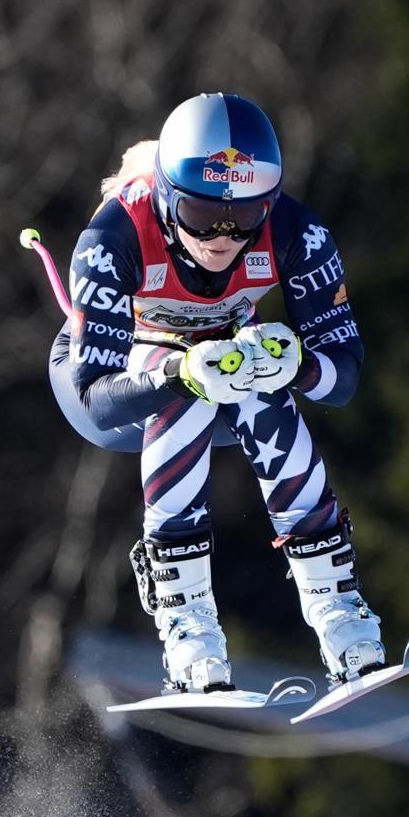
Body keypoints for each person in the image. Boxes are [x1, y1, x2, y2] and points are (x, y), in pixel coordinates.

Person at [47, 92, 384, 692]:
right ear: (167, 196)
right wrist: (181, 374)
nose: (224, 237)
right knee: (191, 385)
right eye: (203, 215)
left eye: (245, 216)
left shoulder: (297, 232)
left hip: (220, 366)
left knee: (258, 378)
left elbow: (343, 380)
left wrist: (296, 366)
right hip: (119, 381)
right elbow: (96, 400)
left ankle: (340, 614)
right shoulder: (114, 237)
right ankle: (188, 629)